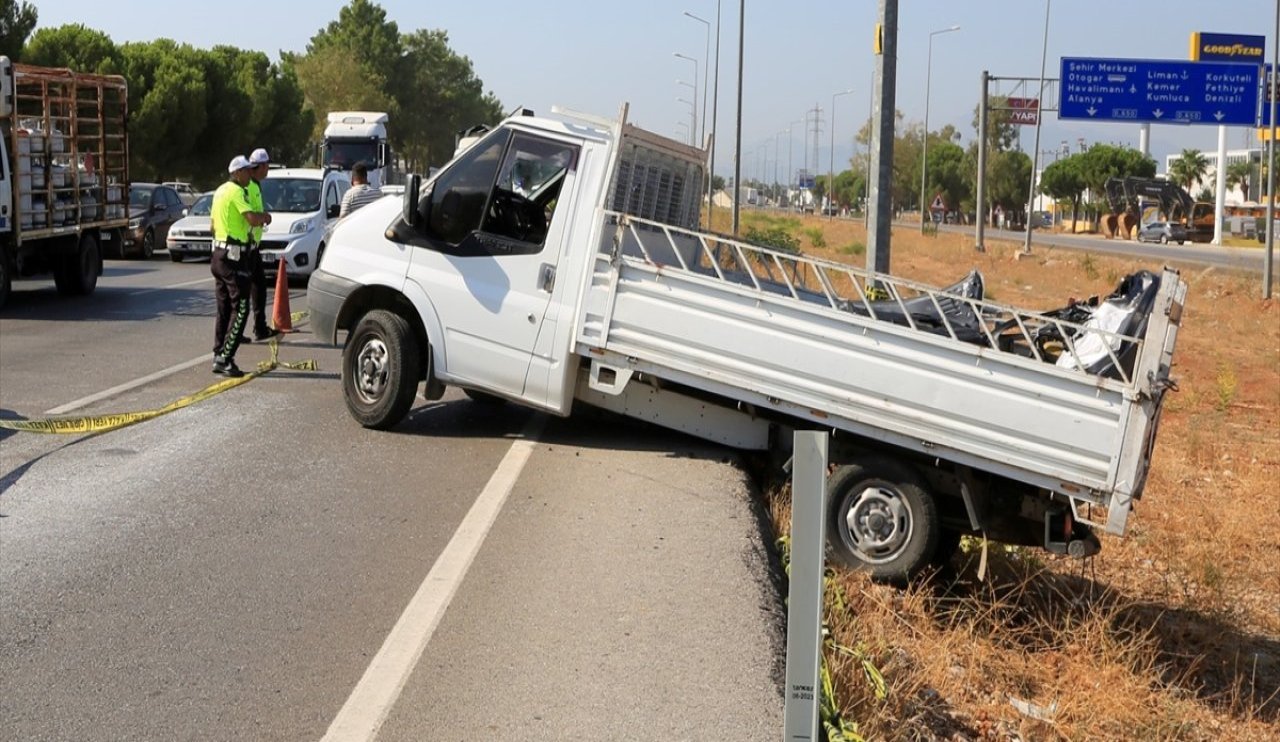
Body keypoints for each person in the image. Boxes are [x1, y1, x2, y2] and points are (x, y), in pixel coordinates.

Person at [210, 155, 271, 377]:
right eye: (246, 170)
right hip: (232, 255)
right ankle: (226, 358)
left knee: (224, 306)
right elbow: (251, 219)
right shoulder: (237, 191)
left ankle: (219, 351)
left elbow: (212, 225)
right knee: (242, 306)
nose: (249, 173)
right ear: (237, 173)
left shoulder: (219, 191)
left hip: (218, 253)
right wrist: (264, 217)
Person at [246, 147, 281, 341]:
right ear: (260, 166)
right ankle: (258, 328)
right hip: (246, 245)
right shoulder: (249, 187)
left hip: (253, 245)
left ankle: (259, 327)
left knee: (256, 287)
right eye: (266, 165)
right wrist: (264, 218)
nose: (268, 169)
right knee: (252, 289)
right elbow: (249, 215)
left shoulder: (256, 185)